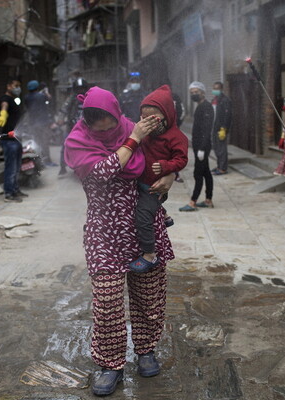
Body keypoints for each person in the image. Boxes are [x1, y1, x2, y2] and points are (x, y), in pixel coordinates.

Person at [64, 87, 175, 396]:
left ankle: (146, 349)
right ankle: (110, 364)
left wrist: (170, 177)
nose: (105, 131)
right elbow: (101, 173)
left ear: (116, 115)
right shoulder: (78, 141)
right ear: (87, 122)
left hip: (143, 228)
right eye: (98, 127)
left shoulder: (135, 127)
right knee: (108, 302)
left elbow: (166, 154)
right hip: (104, 233)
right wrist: (133, 139)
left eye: (110, 125)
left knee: (149, 296)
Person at [130, 85, 188, 272]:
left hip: (155, 188)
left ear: (167, 115)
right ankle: (164, 215)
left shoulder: (176, 137)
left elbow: (181, 159)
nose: (149, 123)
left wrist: (167, 167)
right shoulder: (144, 133)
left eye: (154, 119)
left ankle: (149, 254)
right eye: (144, 119)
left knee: (142, 215)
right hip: (140, 182)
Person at [179, 81, 214, 212]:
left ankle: (193, 202)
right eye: (192, 93)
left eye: (196, 92)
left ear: (203, 92)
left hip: (202, 146)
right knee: (206, 172)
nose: (194, 95)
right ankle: (208, 200)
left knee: (198, 173)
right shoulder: (200, 106)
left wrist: (202, 148)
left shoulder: (206, 107)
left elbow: (206, 130)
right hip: (199, 145)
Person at [0, 78, 26, 202]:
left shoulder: (15, 100)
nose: (17, 88)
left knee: (17, 166)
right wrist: (3, 114)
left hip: (16, 139)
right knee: (11, 167)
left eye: (19, 86)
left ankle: (15, 189)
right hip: (8, 139)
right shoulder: (6, 98)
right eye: (15, 85)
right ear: (8, 86)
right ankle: (9, 193)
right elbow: (4, 105)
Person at [57, 77, 89, 176]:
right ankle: (62, 167)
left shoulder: (90, 98)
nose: (81, 91)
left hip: (88, 128)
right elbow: (63, 109)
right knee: (66, 145)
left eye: (83, 88)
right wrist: (60, 119)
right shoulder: (71, 99)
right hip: (72, 128)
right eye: (79, 89)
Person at [24, 80, 56, 166]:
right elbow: (49, 98)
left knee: (37, 141)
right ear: (37, 87)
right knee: (45, 142)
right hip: (43, 123)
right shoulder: (42, 96)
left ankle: (38, 161)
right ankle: (47, 161)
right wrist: (46, 91)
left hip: (33, 123)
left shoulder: (26, 97)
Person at [210, 82, 232, 175]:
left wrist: (224, 128)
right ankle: (219, 166)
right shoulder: (214, 100)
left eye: (217, 89)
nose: (215, 90)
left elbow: (228, 115)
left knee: (221, 148)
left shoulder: (225, 100)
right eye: (214, 88)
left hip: (221, 128)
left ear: (221, 89)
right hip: (214, 127)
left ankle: (223, 168)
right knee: (216, 147)